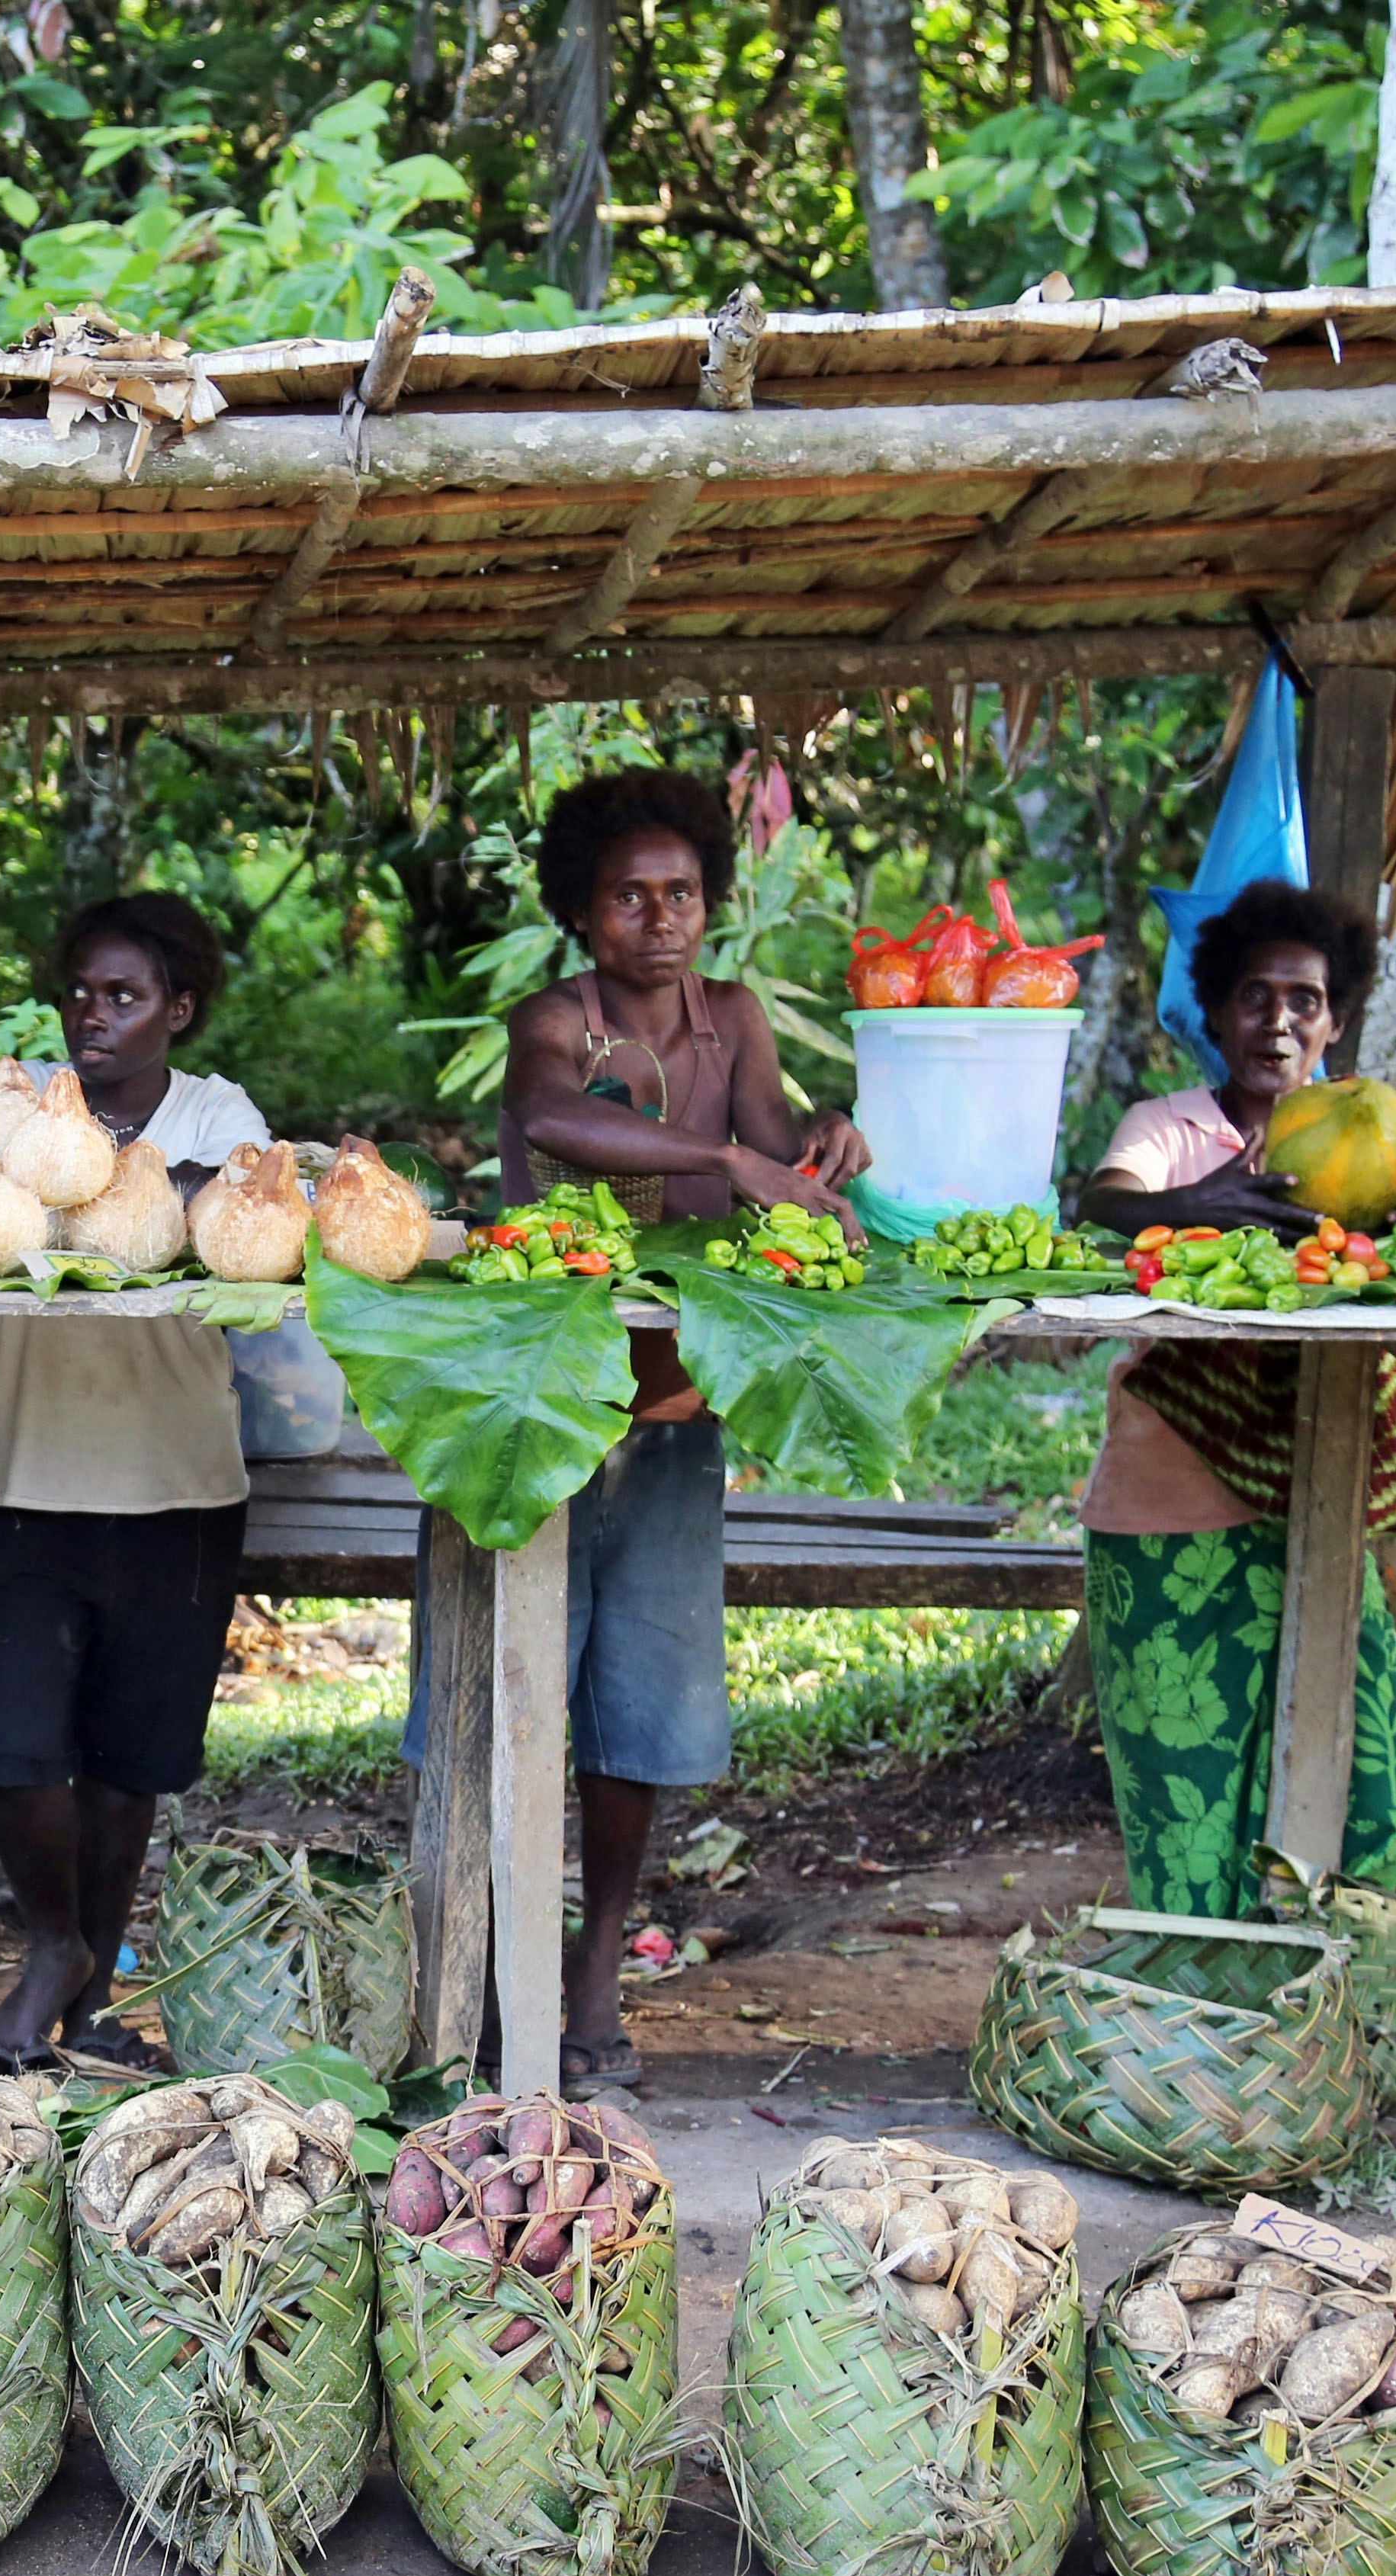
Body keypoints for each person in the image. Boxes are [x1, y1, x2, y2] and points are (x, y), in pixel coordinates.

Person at [490, 766, 868, 2086]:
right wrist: (723, 1165)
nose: (661, 918)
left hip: (672, 1409)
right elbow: (549, 1120)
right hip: (535, 1412)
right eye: (630, 897)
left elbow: (774, 1152)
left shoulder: (736, 1021)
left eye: (684, 893)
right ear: (583, 914)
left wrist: (815, 1145)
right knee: (518, 1702)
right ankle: (499, 1964)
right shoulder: (553, 1022)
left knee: (635, 1719)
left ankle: (594, 1974)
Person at [1073, 880, 1396, 1917]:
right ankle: (1205, 2024)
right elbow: (1100, 1205)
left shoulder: (1375, 1130)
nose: (1279, 1022)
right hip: (1167, 1502)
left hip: (1327, 1507)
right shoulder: (1170, 1130)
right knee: (1186, 1791)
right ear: (1216, 1014)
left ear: (1336, 1020)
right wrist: (1197, 1205)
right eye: (1255, 998)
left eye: (1304, 1001)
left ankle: (1334, 2009)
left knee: (1362, 1777)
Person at [0, 893, 268, 2073]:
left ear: (176, 1011)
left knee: (127, 1767)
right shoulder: (15, 1104)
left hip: (178, 1487)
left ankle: (81, 1999)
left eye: (123, 996)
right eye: (81, 994)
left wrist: (138, 1186)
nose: (92, 1015)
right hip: (33, 1478)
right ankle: (55, 1945)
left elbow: (230, 1201)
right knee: (18, 1750)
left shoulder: (219, 1111)